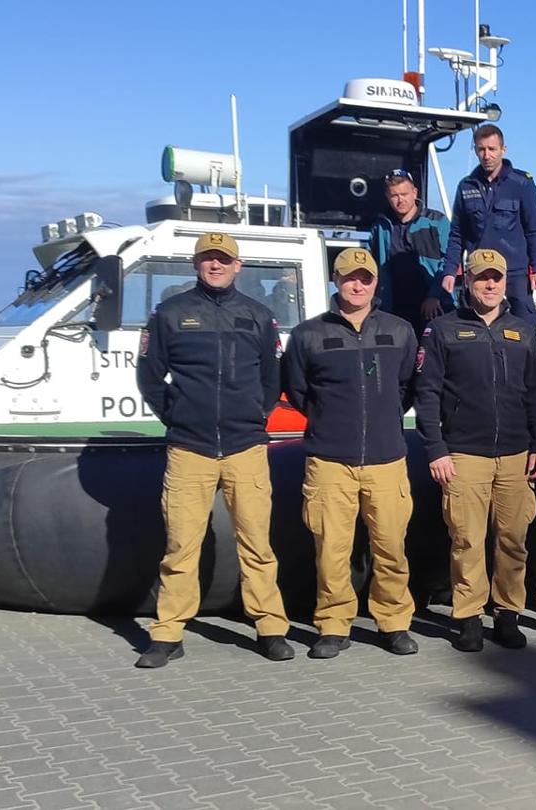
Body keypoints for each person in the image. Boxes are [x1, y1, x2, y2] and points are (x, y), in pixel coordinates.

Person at [133, 231, 289, 668]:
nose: (215, 265)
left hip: (245, 447)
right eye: (207, 258)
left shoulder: (259, 316)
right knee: (181, 546)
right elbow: (149, 376)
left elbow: (272, 379)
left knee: (257, 544)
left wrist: (255, 416)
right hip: (190, 448)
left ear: (238, 266)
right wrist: (177, 416)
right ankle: (168, 633)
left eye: (223, 259)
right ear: (195, 264)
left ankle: (270, 627)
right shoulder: (168, 314)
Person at [279, 247, 421, 659]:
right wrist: (328, 420)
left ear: (375, 283)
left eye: (365, 278)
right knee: (331, 550)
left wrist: (383, 417)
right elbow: (298, 390)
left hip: (386, 458)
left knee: (391, 547)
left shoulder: (400, 331)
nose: (357, 285)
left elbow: (408, 387)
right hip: (329, 460)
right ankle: (333, 624)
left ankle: (393, 622)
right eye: (348, 278)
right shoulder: (308, 334)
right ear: (335, 281)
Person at [416, 248, 536, 652]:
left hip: (515, 454)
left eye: (496, 278)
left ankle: (507, 614)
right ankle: (469, 616)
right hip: (464, 454)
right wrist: (436, 449)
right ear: (467, 282)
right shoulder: (443, 330)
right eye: (481, 278)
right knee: (467, 541)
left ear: (505, 283)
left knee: (513, 540)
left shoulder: (522, 331)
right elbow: (427, 393)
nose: (490, 285)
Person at [441, 124, 536, 319]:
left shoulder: (522, 183)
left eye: (492, 149)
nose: (487, 155)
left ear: (503, 150)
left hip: (514, 273)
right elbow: (457, 234)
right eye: (481, 149)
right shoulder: (466, 186)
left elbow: (534, 230)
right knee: (475, 326)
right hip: (479, 272)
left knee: (525, 327)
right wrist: (449, 271)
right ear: (475, 150)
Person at [374, 171, 453, 331]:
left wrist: (435, 295)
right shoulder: (381, 226)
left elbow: (450, 261)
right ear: (387, 196)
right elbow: (373, 264)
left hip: (433, 308)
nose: (400, 200)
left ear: (415, 192)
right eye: (394, 195)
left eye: (404, 194)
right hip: (394, 309)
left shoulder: (437, 222)